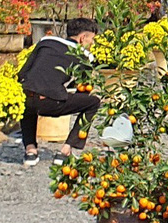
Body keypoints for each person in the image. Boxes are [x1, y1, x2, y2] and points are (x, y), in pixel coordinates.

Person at [15, 18, 103, 165]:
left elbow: (24, 73)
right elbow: (83, 88)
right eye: (91, 40)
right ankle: (65, 151)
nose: (91, 44)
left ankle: (30, 151)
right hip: (51, 103)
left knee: (29, 92)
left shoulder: (45, 42)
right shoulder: (83, 56)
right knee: (93, 103)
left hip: (25, 100)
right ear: (83, 38)